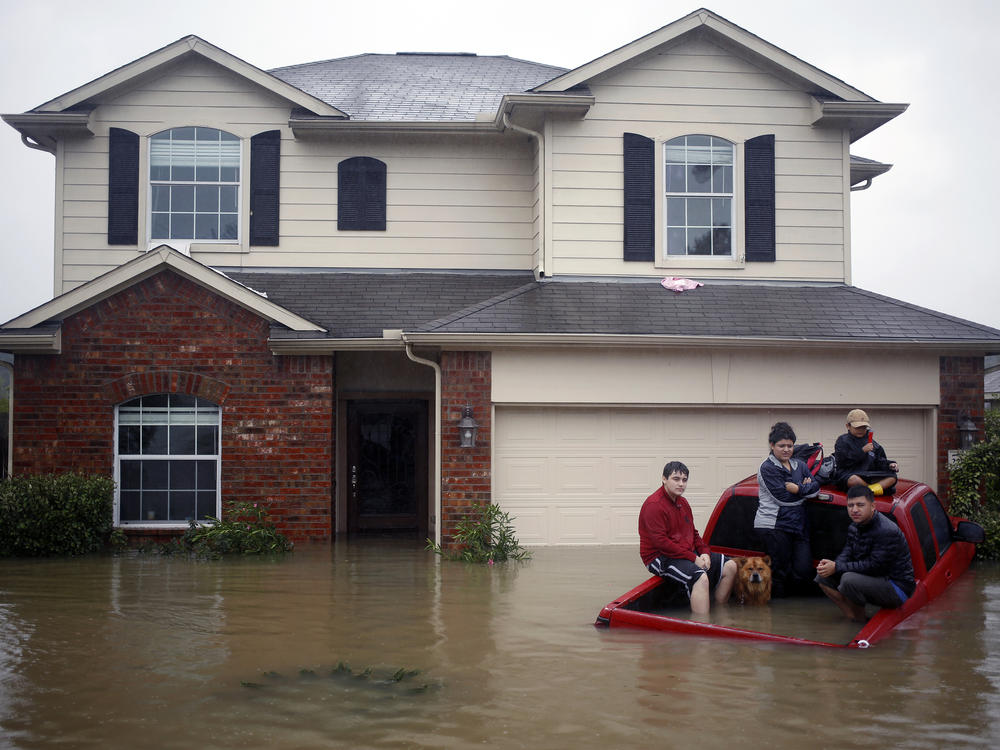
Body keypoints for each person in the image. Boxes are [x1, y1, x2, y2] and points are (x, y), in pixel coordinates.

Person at [638, 461, 737, 614]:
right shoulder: (654, 505)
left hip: (683, 552)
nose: (681, 484)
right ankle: (702, 626)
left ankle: (719, 613)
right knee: (700, 578)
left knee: (730, 566)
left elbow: (693, 533)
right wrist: (693, 558)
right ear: (664, 479)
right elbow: (661, 543)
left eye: (684, 480)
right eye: (676, 479)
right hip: (659, 557)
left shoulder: (682, 502)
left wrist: (704, 552)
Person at [815, 485, 915, 621]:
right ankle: (853, 617)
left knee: (848, 580)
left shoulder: (886, 531)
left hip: (897, 586)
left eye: (860, 505)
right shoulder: (854, 527)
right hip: (874, 578)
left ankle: (858, 622)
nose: (855, 510)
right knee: (823, 576)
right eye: (850, 505)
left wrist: (837, 567)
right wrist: (832, 566)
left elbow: (875, 566)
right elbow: (847, 553)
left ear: (873, 506)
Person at [754, 421, 819, 597]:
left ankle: (794, 613)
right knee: (779, 573)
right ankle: (775, 613)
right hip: (774, 525)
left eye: (790, 446)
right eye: (781, 445)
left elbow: (816, 488)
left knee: (803, 570)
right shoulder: (767, 468)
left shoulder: (800, 465)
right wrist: (805, 490)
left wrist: (798, 489)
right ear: (772, 445)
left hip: (798, 524)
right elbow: (782, 498)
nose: (786, 449)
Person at [832, 408, 898, 496]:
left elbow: (879, 461)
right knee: (853, 479)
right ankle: (872, 491)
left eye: (863, 427)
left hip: (868, 475)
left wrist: (890, 465)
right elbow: (843, 462)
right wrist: (862, 451)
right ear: (848, 426)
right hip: (849, 474)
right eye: (857, 427)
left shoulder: (873, 443)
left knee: (892, 477)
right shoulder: (842, 441)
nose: (860, 430)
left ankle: (869, 491)